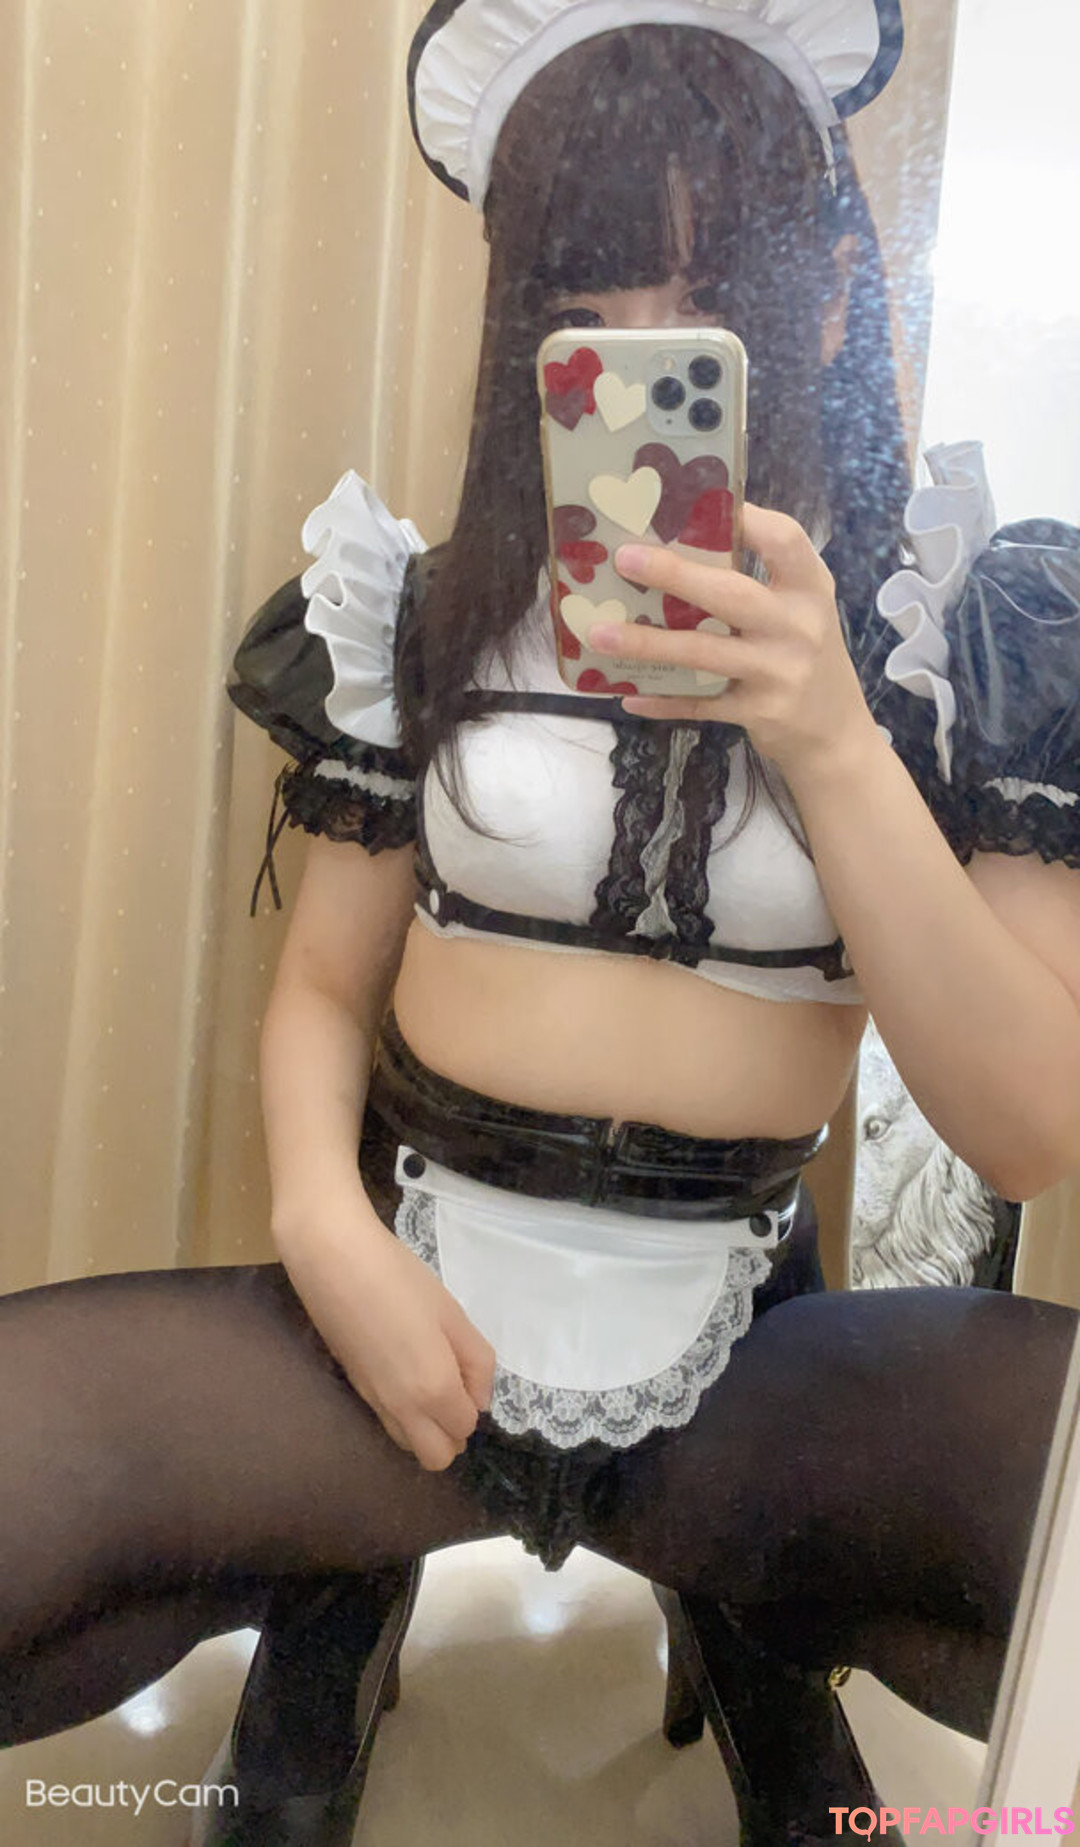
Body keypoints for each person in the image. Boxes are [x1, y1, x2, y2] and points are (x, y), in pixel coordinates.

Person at [2, 3, 1080, 1845]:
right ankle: (342, 1597)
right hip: (410, 1295)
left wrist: (828, 733)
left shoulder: (953, 636)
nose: (645, 349)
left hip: (750, 1358)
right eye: (590, 302)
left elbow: (1026, 1127)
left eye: (708, 294)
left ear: (829, 298)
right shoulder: (413, 612)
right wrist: (325, 1232)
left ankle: (747, 1613)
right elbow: (324, 989)